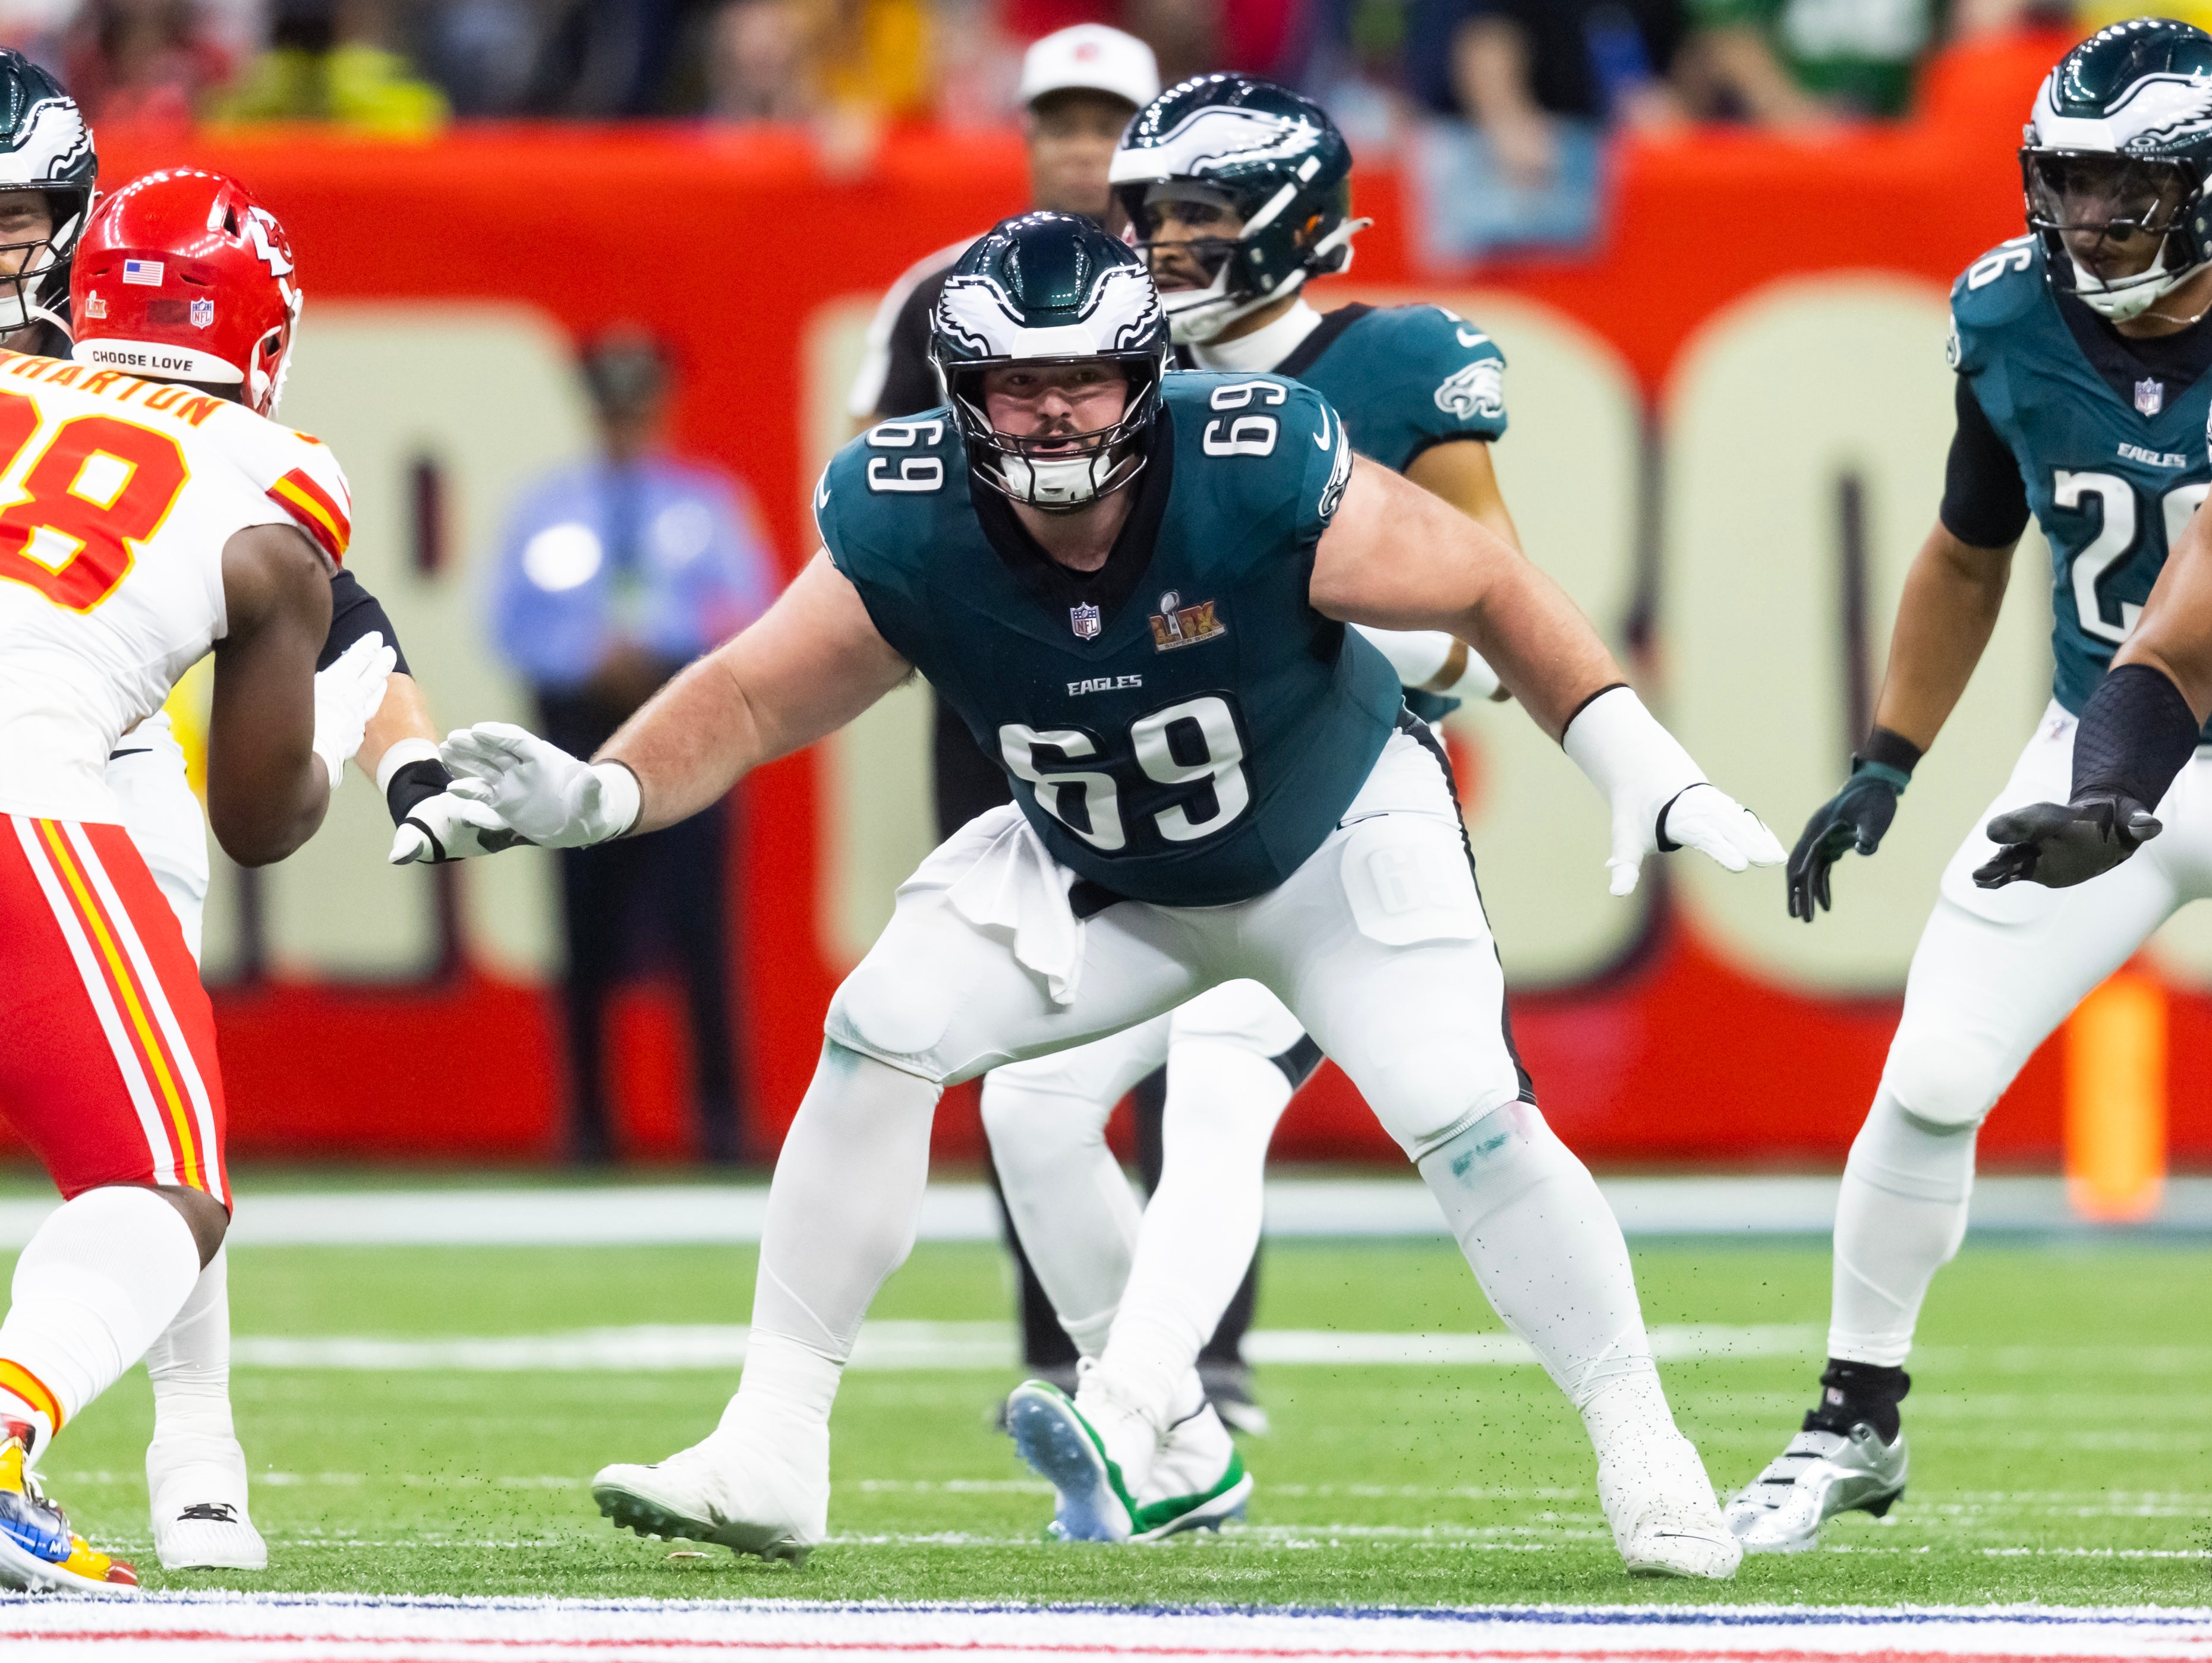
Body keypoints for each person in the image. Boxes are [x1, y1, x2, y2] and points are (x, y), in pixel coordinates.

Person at [438, 211, 1784, 1576]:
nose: (1054, 410)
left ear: (1145, 370)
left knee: (1464, 1114)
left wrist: (1634, 759)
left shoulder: (1255, 462)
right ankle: (777, 1440)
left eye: (1081, 374)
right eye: (1017, 382)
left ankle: (1643, 1441)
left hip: (1328, 828)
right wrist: (601, 792)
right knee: (882, 1025)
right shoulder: (906, 508)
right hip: (1103, 864)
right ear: (961, 393)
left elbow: (1486, 583)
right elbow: (746, 689)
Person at [976, 72, 1525, 1533]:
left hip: (1338, 811)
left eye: (1199, 214)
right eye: (1148, 211)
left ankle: (1129, 1400)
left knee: (1220, 1089)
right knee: (1028, 1103)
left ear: (1288, 225)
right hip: (1156, 821)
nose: (1157, 243)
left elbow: (1494, 614)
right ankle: (1181, 1453)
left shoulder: (1400, 363)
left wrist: (1326, 618)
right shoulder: (1118, 379)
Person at [0, 52, 503, 1576]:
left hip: (96, 727)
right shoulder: (257, 456)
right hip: (40, 758)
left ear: (78, 238)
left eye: (15, 219)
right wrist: (364, 735)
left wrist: (401, 747)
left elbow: (331, 610)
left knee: (158, 1103)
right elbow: (287, 656)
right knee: (164, 1168)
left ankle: (195, 1450)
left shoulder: (57, 372)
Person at [1731, 18, 2212, 1553]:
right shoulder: (2010, 316)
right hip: (2098, 743)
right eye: (2064, 184)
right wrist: (1886, 759)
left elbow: (2192, 635)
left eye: (2122, 189)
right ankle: (1852, 1419)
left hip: (2137, 741)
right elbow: (1965, 545)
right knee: (1933, 1075)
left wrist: (2120, 793)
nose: (2083, 221)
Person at [0, 166, 382, 1593]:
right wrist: (345, 709)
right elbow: (262, 818)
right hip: (23, 789)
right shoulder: (269, 477)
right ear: (263, 341)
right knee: (163, 1184)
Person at [846, 18, 1165, 1407]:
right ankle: (1059, 1331)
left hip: (1179, 680)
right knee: (1008, 1005)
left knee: (1213, 1023)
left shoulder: (1191, 280)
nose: (1083, 149)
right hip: (997, 701)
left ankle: (1196, 1341)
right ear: (1026, 135)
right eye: (1061, 123)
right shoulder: (941, 296)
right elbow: (872, 482)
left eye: (1108, 125)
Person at [485, 326, 776, 1165]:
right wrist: (586, 655)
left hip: (686, 720)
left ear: (661, 405)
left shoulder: (707, 505)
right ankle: (588, 1124)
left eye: (637, 404)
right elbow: (509, 618)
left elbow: (750, 609)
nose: (625, 422)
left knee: (702, 927)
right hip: (580, 729)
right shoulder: (548, 509)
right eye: (611, 407)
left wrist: (668, 642)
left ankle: (720, 1121)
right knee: (583, 926)